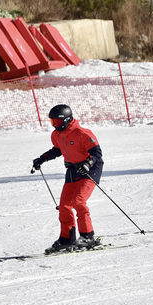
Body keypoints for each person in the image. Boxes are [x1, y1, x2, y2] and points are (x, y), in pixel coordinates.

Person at [31, 104, 104, 252]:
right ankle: (66, 239)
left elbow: (97, 154)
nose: (54, 126)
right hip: (73, 170)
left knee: (78, 201)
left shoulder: (82, 133)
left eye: (56, 122)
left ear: (66, 120)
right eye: (52, 122)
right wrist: (41, 159)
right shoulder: (56, 135)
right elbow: (57, 150)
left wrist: (87, 164)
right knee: (64, 206)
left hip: (90, 170)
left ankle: (87, 236)